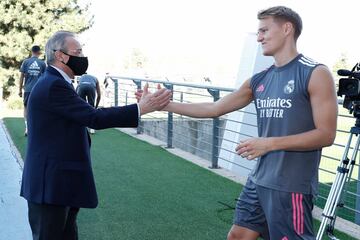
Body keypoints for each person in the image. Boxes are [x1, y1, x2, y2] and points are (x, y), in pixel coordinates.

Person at [152, 6, 338, 239]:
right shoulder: (259, 79)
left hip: (291, 186)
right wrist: (164, 105)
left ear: (287, 29)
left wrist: (269, 144)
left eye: (264, 30)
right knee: (237, 236)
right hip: (258, 179)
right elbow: (214, 108)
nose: (259, 37)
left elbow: (326, 134)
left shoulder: (315, 73)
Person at [20, 30, 171, 240]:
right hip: (50, 186)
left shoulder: (57, 81)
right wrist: (140, 108)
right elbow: (95, 118)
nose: (83, 57)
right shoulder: (54, 84)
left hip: (60, 184)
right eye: (78, 52)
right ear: (60, 55)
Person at [19, 45, 46, 136]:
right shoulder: (42, 63)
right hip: (38, 90)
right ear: (39, 52)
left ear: (31, 51)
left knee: (26, 108)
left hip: (27, 89)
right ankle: (36, 129)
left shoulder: (26, 62)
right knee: (38, 108)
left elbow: (21, 76)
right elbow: (45, 78)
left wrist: (19, 90)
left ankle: (27, 128)